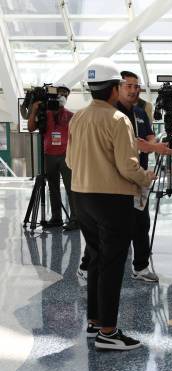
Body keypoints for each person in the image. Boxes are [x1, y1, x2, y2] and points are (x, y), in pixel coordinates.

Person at [67, 57, 156, 351]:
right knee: (112, 263)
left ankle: (94, 322)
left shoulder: (78, 117)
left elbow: (69, 160)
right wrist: (146, 177)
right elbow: (127, 167)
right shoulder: (118, 120)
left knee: (94, 258)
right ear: (114, 88)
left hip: (81, 196)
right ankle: (108, 332)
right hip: (111, 200)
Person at [115, 70, 172, 283]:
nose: (133, 90)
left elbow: (148, 135)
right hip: (117, 179)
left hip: (140, 178)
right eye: (128, 86)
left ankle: (140, 267)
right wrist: (153, 146)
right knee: (114, 226)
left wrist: (152, 143)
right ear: (118, 88)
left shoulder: (140, 111)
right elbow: (131, 142)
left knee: (141, 223)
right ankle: (91, 267)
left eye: (136, 86)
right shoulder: (113, 114)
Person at [27, 82, 77, 230]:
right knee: (53, 188)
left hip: (66, 155)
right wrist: (34, 110)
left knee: (71, 188)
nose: (62, 96)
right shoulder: (44, 113)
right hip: (49, 155)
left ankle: (75, 219)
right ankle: (56, 218)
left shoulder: (70, 115)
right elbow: (30, 128)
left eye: (65, 94)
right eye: (59, 93)